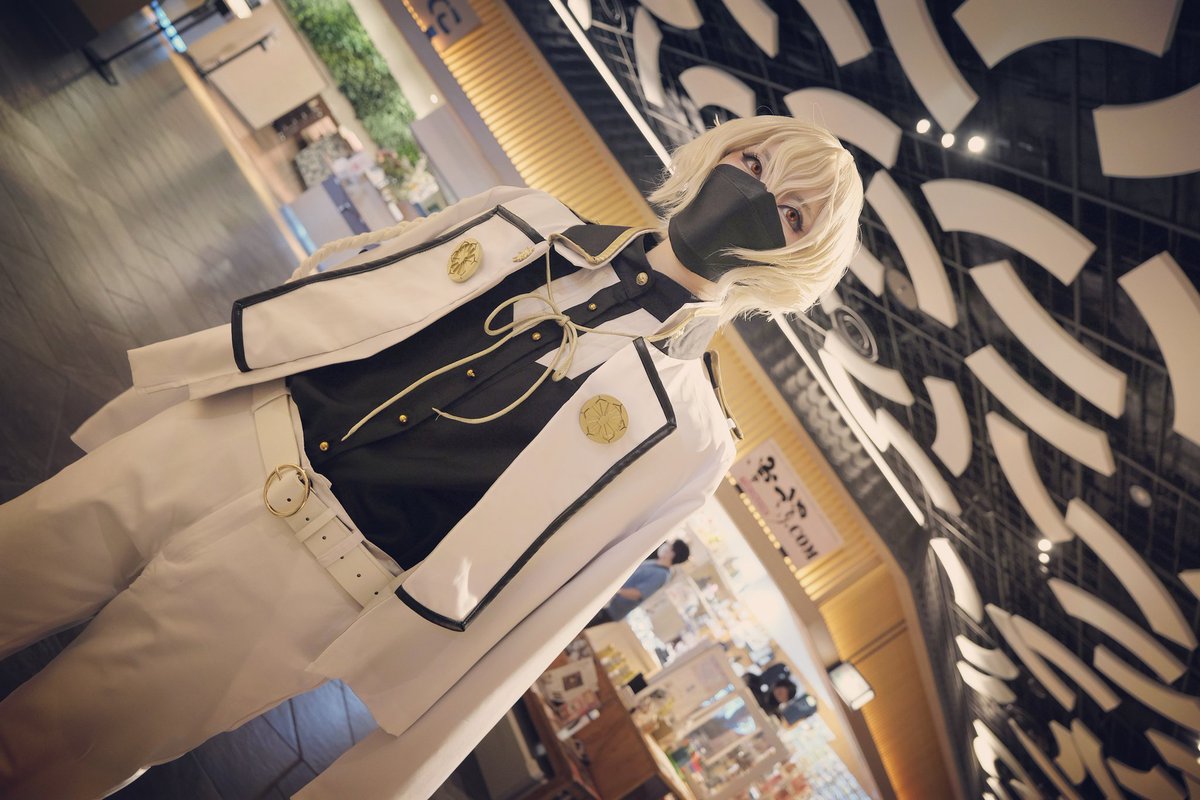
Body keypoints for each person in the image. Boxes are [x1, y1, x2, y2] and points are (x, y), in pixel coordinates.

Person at [0, 115, 863, 799]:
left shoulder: (691, 434)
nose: (755, 195)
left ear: (797, 262)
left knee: (52, 753)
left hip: (308, 581)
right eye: (754, 161)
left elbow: (541, 618)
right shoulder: (522, 218)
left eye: (791, 214)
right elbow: (355, 279)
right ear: (717, 152)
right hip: (226, 438)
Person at [586, 538, 690, 626]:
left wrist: (616, 591)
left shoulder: (662, 575)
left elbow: (638, 593)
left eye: (670, 547)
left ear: (673, 554)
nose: (666, 547)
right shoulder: (656, 562)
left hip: (612, 608)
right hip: (609, 598)